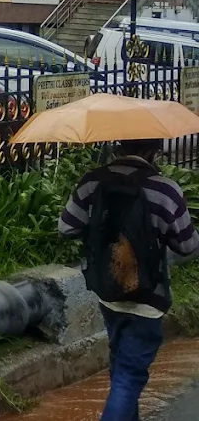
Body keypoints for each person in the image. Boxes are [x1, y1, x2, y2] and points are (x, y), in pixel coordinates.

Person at [58, 138, 198, 421]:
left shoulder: (92, 182)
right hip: (148, 299)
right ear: (155, 149)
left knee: (121, 371)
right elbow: (188, 246)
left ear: (119, 145)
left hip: (108, 293)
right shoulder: (165, 190)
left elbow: (66, 227)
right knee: (128, 379)